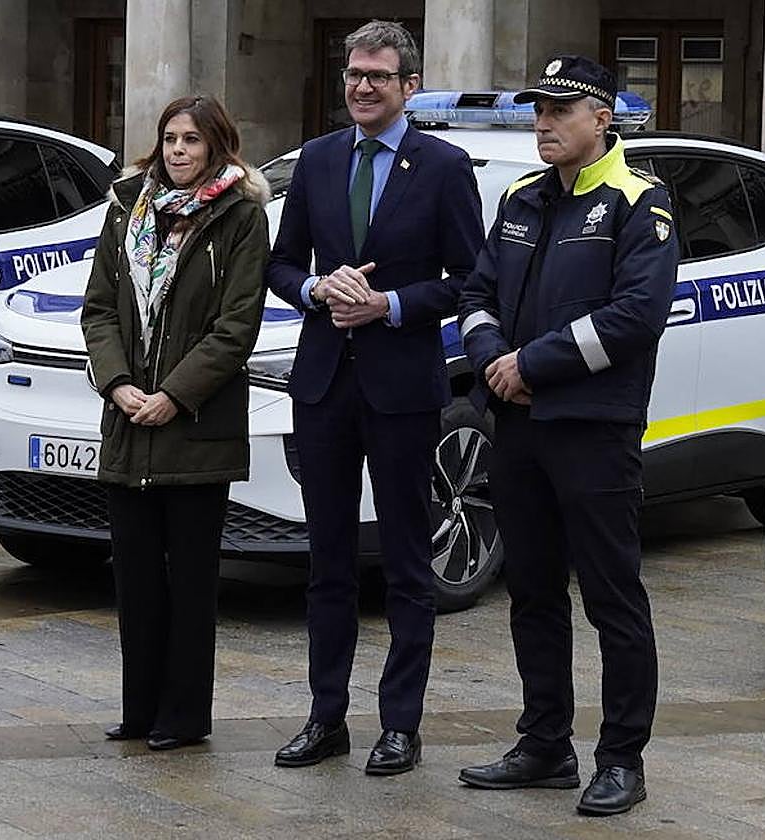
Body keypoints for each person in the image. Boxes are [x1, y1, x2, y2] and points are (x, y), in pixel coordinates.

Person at [456, 56, 678, 816]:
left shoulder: (637, 201)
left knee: (613, 597)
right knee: (532, 592)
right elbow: (477, 293)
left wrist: (532, 365)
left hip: (593, 430)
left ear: (602, 116)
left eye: (560, 109)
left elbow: (634, 317)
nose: (543, 122)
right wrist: (492, 361)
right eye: (538, 110)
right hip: (516, 424)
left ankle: (621, 757)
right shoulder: (521, 197)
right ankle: (545, 742)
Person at [266, 20, 484, 775]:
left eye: (378, 77)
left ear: (408, 87)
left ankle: (401, 725)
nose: (362, 86)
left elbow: (467, 280)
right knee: (325, 561)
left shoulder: (445, 166)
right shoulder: (320, 159)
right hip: (324, 382)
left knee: (404, 564)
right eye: (354, 74)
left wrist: (388, 306)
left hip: (401, 389)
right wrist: (315, 289)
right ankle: (326, 717)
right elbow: (281, 261)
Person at [81, 94, 269, 752]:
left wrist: (175, 395)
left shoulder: (241, 216)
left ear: (218, 144)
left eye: (192, 139)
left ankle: (184, 715)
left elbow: (235, 328)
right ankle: (140, 710)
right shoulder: (127, 207)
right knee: (133, 577)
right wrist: (120, 384)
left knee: (190, 582)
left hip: (196, 429)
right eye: (170, 139)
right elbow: (99, 308)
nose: (179, 150)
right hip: (128, 424)